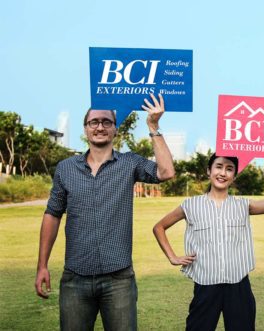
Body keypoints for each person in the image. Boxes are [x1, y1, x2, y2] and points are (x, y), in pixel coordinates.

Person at [35, 94, 175, 331]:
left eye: (106, 122)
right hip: (75, 278)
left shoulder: (130, 163)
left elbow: (166, 172)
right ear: (86, 129)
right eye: (94, 122)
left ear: (115, 129)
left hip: (119, 279)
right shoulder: (66, 169)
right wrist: (42, 265)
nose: (100, 127)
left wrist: (153, 126)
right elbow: (52, 214)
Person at [153, 153, 264, 331]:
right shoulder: (190, 205)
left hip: (239, 286)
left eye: (229, 169)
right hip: (205, 287)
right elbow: (159, 227)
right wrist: (172, 257)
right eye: (218, 166)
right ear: (209, 170)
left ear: (234, 176)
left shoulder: (243, 206)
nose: (223, 173)